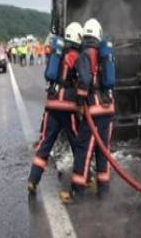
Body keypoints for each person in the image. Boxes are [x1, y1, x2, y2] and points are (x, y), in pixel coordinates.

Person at [27, 22, 90, 195]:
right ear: (79, 38)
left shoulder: (57, 54)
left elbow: (49, 75)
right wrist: (80, 101)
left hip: (52, 104)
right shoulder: (78, 56)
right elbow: (84, 80)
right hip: (68, 107)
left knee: (45, 143)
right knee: (78, 144)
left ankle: (33, 180)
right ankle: (85, 180)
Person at [62, 18, 115, 202]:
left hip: (93, 110)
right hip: (108, 109)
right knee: (103, 150)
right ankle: (104, 191)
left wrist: (79, 100)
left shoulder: (85, 54)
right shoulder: (105, 54)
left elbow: (84, 80)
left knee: (83, 151)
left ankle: (77, 193)